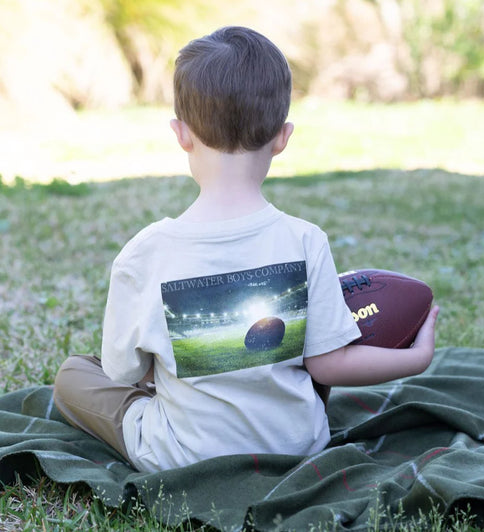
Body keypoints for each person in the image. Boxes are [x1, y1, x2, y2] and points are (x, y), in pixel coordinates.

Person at [53, 26, 439, 473]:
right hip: (298, 446)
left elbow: (124, 374)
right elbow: (329, 366)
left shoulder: (145, 253)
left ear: (181, 133)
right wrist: (415, 359)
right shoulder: (305, 239)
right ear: (283, 136)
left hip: (185, 456)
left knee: (75, 374)